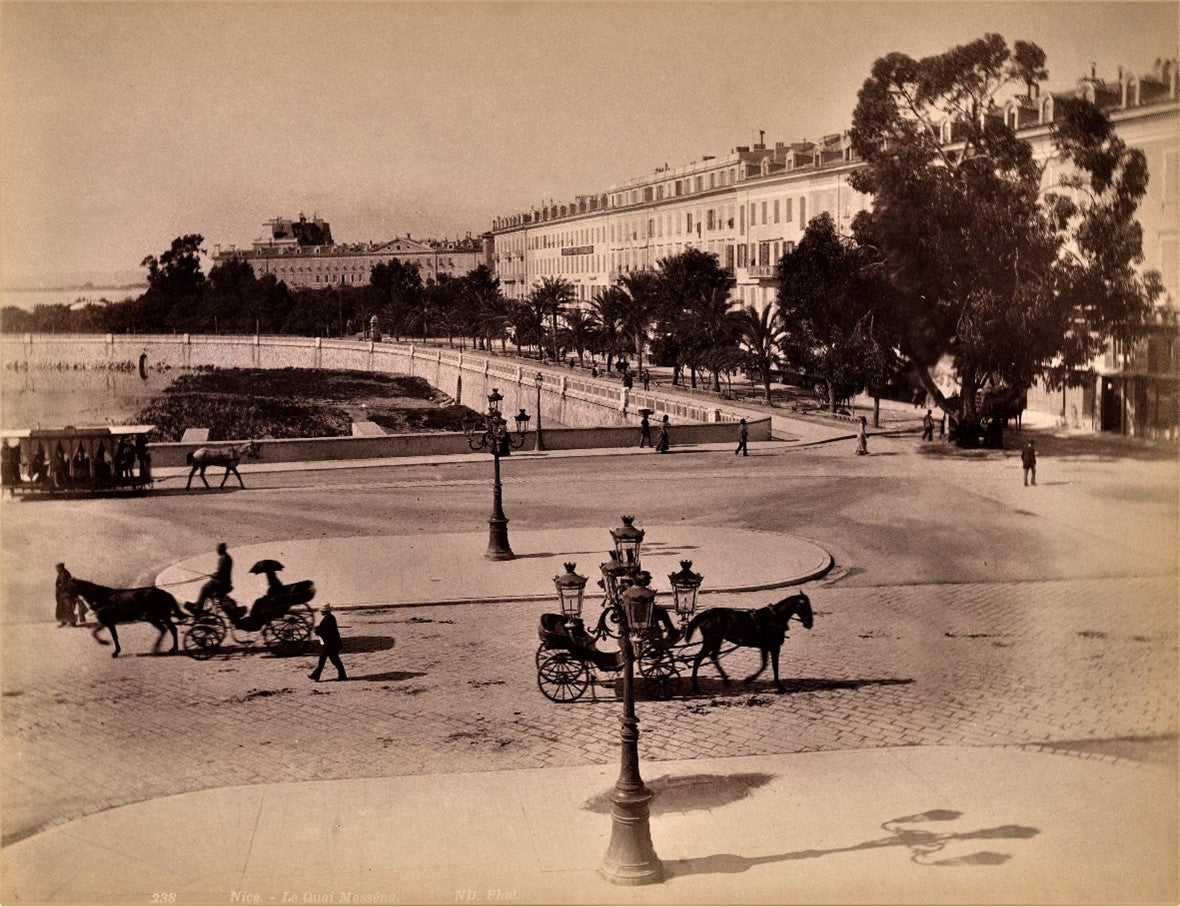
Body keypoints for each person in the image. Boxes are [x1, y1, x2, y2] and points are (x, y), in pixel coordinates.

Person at [190, 542, 233, 614]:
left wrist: (213, 575)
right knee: (206, 588)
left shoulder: (224, 558)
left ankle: (198, 608)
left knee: (204, 588)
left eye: (218, 549)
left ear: (221, 550)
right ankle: (198, 604)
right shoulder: (226, 557)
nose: (217, 551)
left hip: (221, 582)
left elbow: (220, 573)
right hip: (224, 581)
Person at [309, 603, 347, 682]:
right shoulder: (330, 618)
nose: (321, 612)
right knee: (334, 660)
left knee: (326, 660)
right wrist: (318, 629)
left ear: (323, 612)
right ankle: (342, 675)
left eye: (321, 611)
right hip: (331, 644)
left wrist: (317, 631)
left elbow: (326, 632)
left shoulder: (328, 619)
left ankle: (316, 675)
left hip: (330, 644)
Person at [55, 563, 78, 627]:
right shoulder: (62, 573)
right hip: (63, 593)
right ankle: (64, 621)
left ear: (60, 567)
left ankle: (72, 623)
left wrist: (62, 590)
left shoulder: (64, 573)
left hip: (65, 593)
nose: (56, 569)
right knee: (62, 608)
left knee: (68, 608)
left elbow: (64, 584)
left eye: (57, 568)